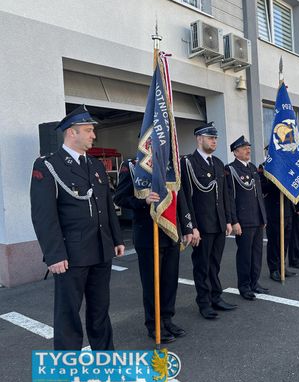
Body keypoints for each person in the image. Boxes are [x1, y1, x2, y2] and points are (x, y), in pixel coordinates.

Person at [30, 105, 125, 353]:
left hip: (101, 249)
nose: (94, 135)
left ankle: (105, 358)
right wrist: (54, 254)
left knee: (100, 310)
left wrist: (116, 238)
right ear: (72, 132)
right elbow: (43, 215)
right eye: (89, 130)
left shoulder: (95, 165)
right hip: (71, 254)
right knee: (68, 314)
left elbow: (106, 204)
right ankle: (68, 366)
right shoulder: (48, 165)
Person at [114, 158, 194, 343]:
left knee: (170, 281)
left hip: (171, 232)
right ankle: (154, 324)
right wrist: (143, 201)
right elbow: (119, 198)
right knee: (152, 284)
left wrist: (187, 227)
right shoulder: (133, 165)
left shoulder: (170, 165)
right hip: (147, 235)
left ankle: (167, 319)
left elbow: (179, 197)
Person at [180, 122, 236, 319]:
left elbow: (225, 196)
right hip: (202, 226)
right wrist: (191, 226)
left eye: (215, 138)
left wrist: (228, 220)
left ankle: (216, 297)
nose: (214, 141)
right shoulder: (188, 163)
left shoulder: (218, 163)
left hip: (219, 223)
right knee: (202, 266)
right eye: (211, 138)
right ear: (199, 139)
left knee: (215, 265)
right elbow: (186, 197)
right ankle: (204, 303)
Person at [225, 136, 268, 300]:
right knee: (245, 255)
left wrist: (263, 217)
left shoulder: (252, 168)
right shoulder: (231, 169)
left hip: (257, 218)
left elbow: (259, 196)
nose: (248, 150)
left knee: (257, 254)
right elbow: (230, 198)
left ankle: (254, 282)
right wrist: (234, 221)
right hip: (243, 220)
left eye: (248, 148)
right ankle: (244, 286)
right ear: (235, 152)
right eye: (244, 148)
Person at [260, 152, 299, 282]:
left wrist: (298, 206)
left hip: (287, 209)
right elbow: (262, 187)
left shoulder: (286, 166)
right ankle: (274, 269)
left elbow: (294, 188)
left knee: (285, 241)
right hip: (273, 211)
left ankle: (282, 267)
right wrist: (276, 181)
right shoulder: (264, 167)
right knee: (274, 242)